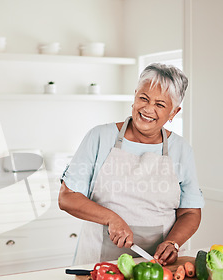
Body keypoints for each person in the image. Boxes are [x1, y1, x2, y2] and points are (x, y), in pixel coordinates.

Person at [59, 63, 204, 266]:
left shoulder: (181, 149)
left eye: (160, 105)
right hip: (99, 263)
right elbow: (67, 197)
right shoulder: (99, 137)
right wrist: (111, 218)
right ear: (135, 96)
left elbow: (190, 211)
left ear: (174, 112)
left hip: (157, 266)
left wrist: (173, 242)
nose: (147, 109)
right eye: (143, 98)